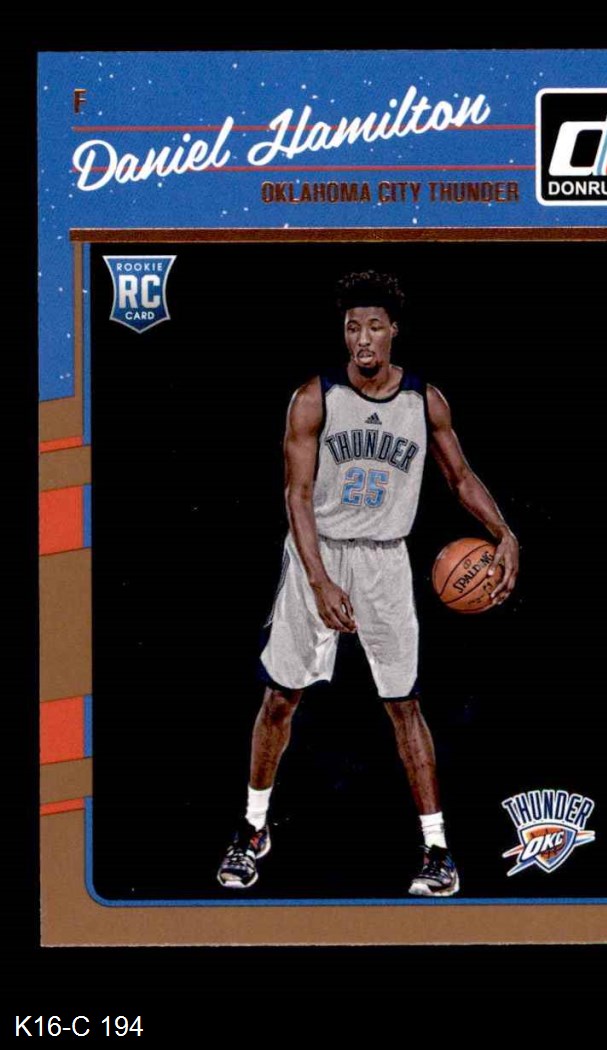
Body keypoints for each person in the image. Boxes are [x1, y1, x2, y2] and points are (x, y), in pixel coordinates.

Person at [217, 270, 519, 897]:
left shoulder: (424, 400)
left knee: (404, 704)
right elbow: (297, 496)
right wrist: (320, 580)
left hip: (386, 560)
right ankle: (252, 829)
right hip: (318, 552)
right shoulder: (315, 397)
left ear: (393, 331)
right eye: (352, 327)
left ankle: (438, 851)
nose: (362, 338)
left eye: (374, 326)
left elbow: (460, 477)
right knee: (280, 698)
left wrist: (503, 531)